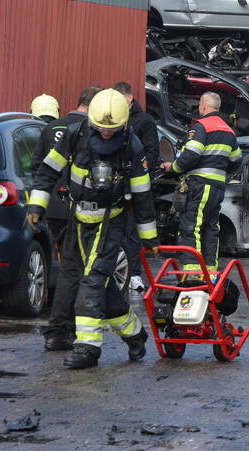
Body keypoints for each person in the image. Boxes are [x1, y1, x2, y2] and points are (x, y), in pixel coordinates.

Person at [27, 89, 157, 369]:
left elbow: (143, 193)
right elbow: (47, 171)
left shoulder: (131, 146)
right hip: (77, 220)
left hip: (111, 222)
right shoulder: (75, 136)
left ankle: (88, 348)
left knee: (92, 281)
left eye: (112, 129)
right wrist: (36, 206)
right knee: (97, 285)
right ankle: (136, 335)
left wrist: (149, 237)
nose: (106, 134)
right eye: (102, 128)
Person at [29, 85, 102, 351]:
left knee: (68, 268)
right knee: (83, 272)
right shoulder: (90, 131)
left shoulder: (52, 129)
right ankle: (68, 328)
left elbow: (38, 167)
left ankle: (59, 329)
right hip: (85, 210)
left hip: (54, 210)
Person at [160, 91, 241, 277]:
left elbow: (191, 155)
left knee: (191, 226)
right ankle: (210, 271)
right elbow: (237, 161)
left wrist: (174, 168)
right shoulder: (229, 131)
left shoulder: (201, 126)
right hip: (218, 187)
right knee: (211, 227)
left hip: (200, 185)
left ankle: (192, 272)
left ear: (203, 106)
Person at [112, 81, 161, 292]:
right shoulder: (114, 120)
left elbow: (151, 153)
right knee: (115, 233)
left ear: (130, 99)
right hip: (114, 188)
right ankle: (117, 272)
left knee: (132, 233)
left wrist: (137, 176)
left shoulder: (144, 122)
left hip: (133, 187)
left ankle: (135, 274)